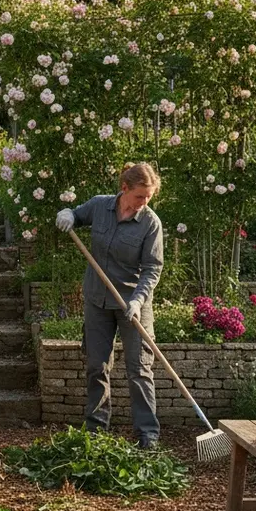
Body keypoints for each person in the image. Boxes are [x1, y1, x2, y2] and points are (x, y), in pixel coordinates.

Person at [55, 163, 165, 448]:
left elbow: (152, 269)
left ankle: (147, 434)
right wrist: (68, 215)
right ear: (124, 189)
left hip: (133, 303)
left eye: (149, 197)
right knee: (97, 365)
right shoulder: (100, 206)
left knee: (139, 369)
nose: (145, 202)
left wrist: (138, 300)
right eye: (141, 196)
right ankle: (96, 429)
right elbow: (77, 215)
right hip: (97, 300)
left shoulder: (150, 223)